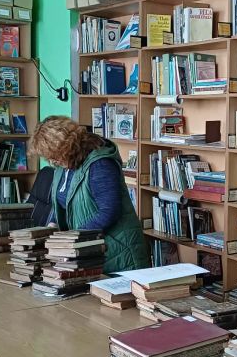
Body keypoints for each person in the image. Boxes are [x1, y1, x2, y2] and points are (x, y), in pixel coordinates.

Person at [29, 116, 150, 273]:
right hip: (90, 250)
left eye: (54, 156)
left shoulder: (100, 164)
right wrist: (53, 224)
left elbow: (109, 212)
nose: (52, 162)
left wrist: (72, 238)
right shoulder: (63, 165)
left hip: (118, 252)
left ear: (67, 147)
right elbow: (63, 202)